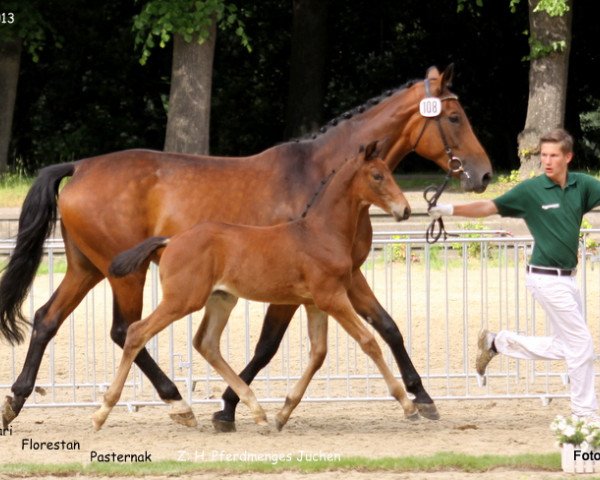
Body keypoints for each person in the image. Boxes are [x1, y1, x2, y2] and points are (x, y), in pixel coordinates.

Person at [429, 128, 600, 421]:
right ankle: (586, 416)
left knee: (567, 345)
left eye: (553, 155)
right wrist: (449, 208)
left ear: (568, 157)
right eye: (543, 155)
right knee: (581, 345)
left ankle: (499, 342)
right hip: (544, 278)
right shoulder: (530, 191)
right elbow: (488, 207)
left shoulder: (582, 185)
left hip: (568, 279)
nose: (546, 161)